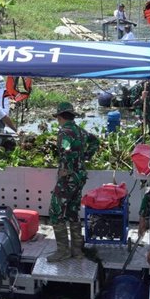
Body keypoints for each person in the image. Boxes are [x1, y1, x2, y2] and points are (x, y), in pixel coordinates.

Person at [50, 102, 97, 260]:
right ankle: (77, 251)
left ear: (61, 117)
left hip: (68, 178)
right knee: (72, 212)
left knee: (55, 211)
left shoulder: (64, 132)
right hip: (80, 176)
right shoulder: (79, 130)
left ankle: (63, 251)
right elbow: (95, 141)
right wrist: (85, 157)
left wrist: (67, 168)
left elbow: (66, 150)